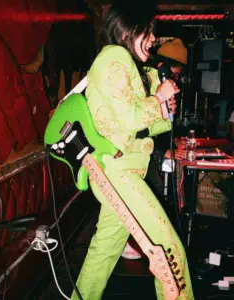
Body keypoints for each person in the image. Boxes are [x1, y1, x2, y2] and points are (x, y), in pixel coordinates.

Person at [71, 3, 194, 300]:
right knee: (168, 250)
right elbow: (130, 117)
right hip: (118, 171)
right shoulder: (114, 57)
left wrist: (164, 112)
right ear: (128, 29)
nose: (153, 39)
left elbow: (133, 128)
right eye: (148, 30)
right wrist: (159, 100)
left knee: (104, 251)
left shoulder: (129, 65)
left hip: (119, 167)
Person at [122, 38, 188, 260]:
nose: (175, 80)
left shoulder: (157, 79)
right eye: (174, 74)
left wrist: (172, 137)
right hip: (136, 153)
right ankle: (135, 243)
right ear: (164, 67)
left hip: (146, 151)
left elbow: (157, 125)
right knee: (151, 198)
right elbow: (138, 126)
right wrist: (163, 150)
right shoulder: (147, 79)